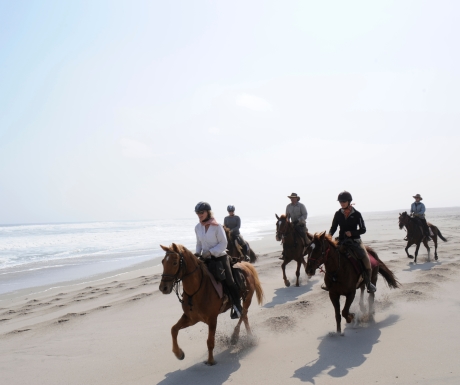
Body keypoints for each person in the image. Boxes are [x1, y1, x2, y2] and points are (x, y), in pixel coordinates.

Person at [194, 201, 243, 319]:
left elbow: (223, 243)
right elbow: (199, 243)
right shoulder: (197, 227)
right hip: (205, 258)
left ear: (208, 212)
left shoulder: (217, 227)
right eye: (197, 213)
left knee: (229, 281)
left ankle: (237, 306)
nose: (200, 214)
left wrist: (210, 252)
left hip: (220, 257)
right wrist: (197, 253)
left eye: (202, 212)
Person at [328, 191, 376, 293]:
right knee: (330, 256)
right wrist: (329, 236)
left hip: (355, 241)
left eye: (344, 201)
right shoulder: (338, 214)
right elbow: (333, 228)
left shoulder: (357, 214)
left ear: (349, 201)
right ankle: (329, 281)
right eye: (340, 201)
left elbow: (363, 229)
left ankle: (368, 283)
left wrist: (353, 233)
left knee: (365, 259)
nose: (342, 203)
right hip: (341, 241)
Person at [280, 193, 310, 260]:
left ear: (296, 198)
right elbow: (287, 217)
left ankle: (307, 248)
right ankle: (284, 253)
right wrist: (287, 222)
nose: (292, 199)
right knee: (285, 237)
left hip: (301, 225)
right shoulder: (288, 206)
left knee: (304, 236)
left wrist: (298, 220)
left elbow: (305, 215)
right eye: (291, 198)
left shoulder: (301, 206)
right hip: (292, 225)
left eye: (293, 198)